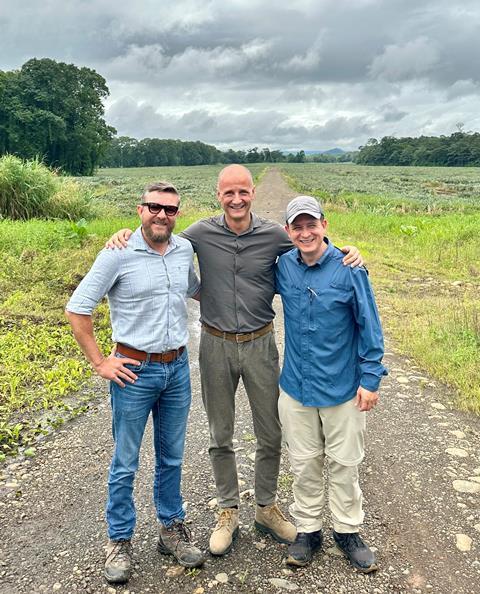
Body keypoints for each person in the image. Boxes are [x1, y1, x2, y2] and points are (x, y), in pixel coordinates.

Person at [107, 165, 362, 557]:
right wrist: (124, 235)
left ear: (253, 192)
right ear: (218, 195)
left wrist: (347, 250)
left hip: (261, 343)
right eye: (229, 193)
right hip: (215, 344)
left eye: (243, 192)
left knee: (271, 432)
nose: (237, 199)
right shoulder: (198, 234)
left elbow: (312, 244)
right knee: (219, 435)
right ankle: (228, 511)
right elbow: (159, 233)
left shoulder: (275, 234)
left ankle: (265, 507)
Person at [66, 182, 205, 584]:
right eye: (155, 207)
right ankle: (120, 539)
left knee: (172, 455)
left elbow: (196, 290)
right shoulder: (117, 253)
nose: (162, 215)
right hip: (133, 371)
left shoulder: (183, 251)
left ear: (178, 213)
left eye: (170, 209)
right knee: (125, 461)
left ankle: (171, 529)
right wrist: (100, 362)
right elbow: (78, 309)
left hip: (177, 368)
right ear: (140, 209)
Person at [275, 195, 387, 572]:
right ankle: (307, 530)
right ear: (288, 231)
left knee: (344, 464)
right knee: (304, 463)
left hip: (343, 389)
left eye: (312, 224)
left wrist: (371, 379)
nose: (305, 232)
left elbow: (370, 327)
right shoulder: (283, 267)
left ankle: (347, 530)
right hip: (296, 388)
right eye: (297, 226)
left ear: (324, 224)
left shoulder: (350, 268)